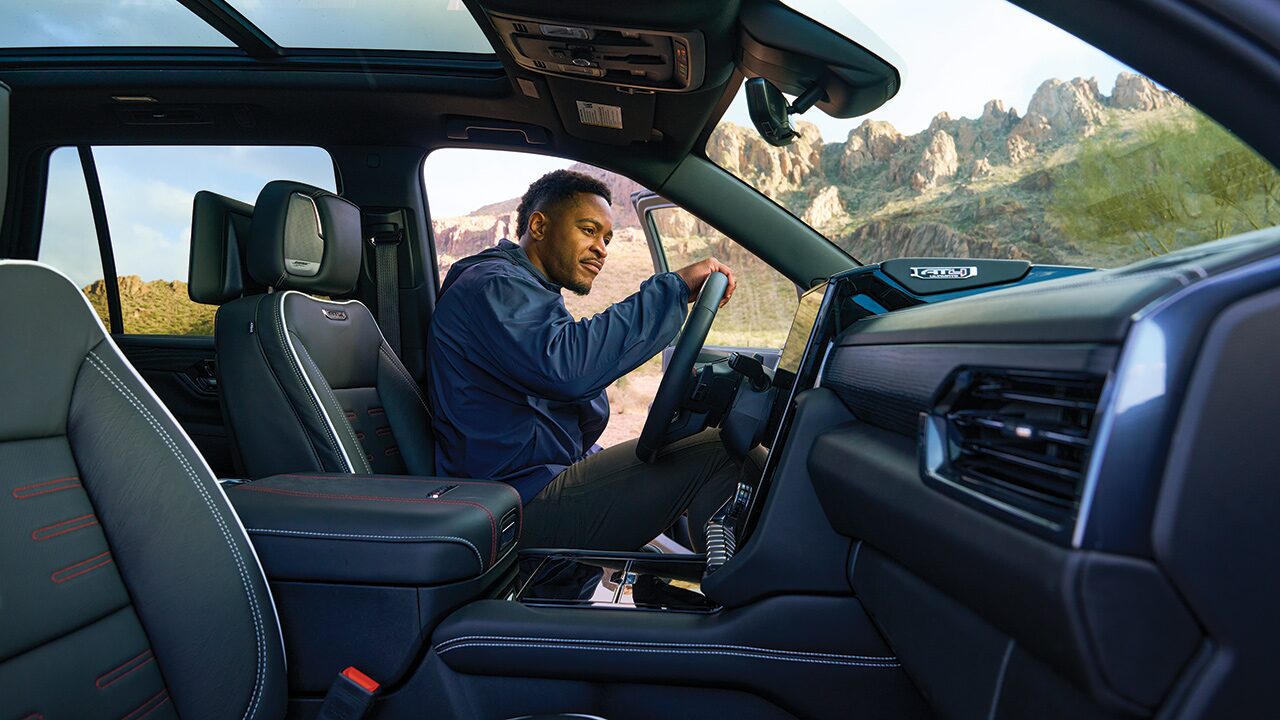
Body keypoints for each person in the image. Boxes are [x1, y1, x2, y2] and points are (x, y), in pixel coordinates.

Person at [427, 169, 756, 552]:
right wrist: (675, 289)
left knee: (677, 477)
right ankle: (741, 596)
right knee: (724, 447)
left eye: (607, 238)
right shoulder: (495, 286)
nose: (602, 248)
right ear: (538, 225)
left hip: (529, 480)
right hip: (512, 499)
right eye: (588, 230)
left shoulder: (528, 290)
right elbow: (567, 366)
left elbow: (558, 410)